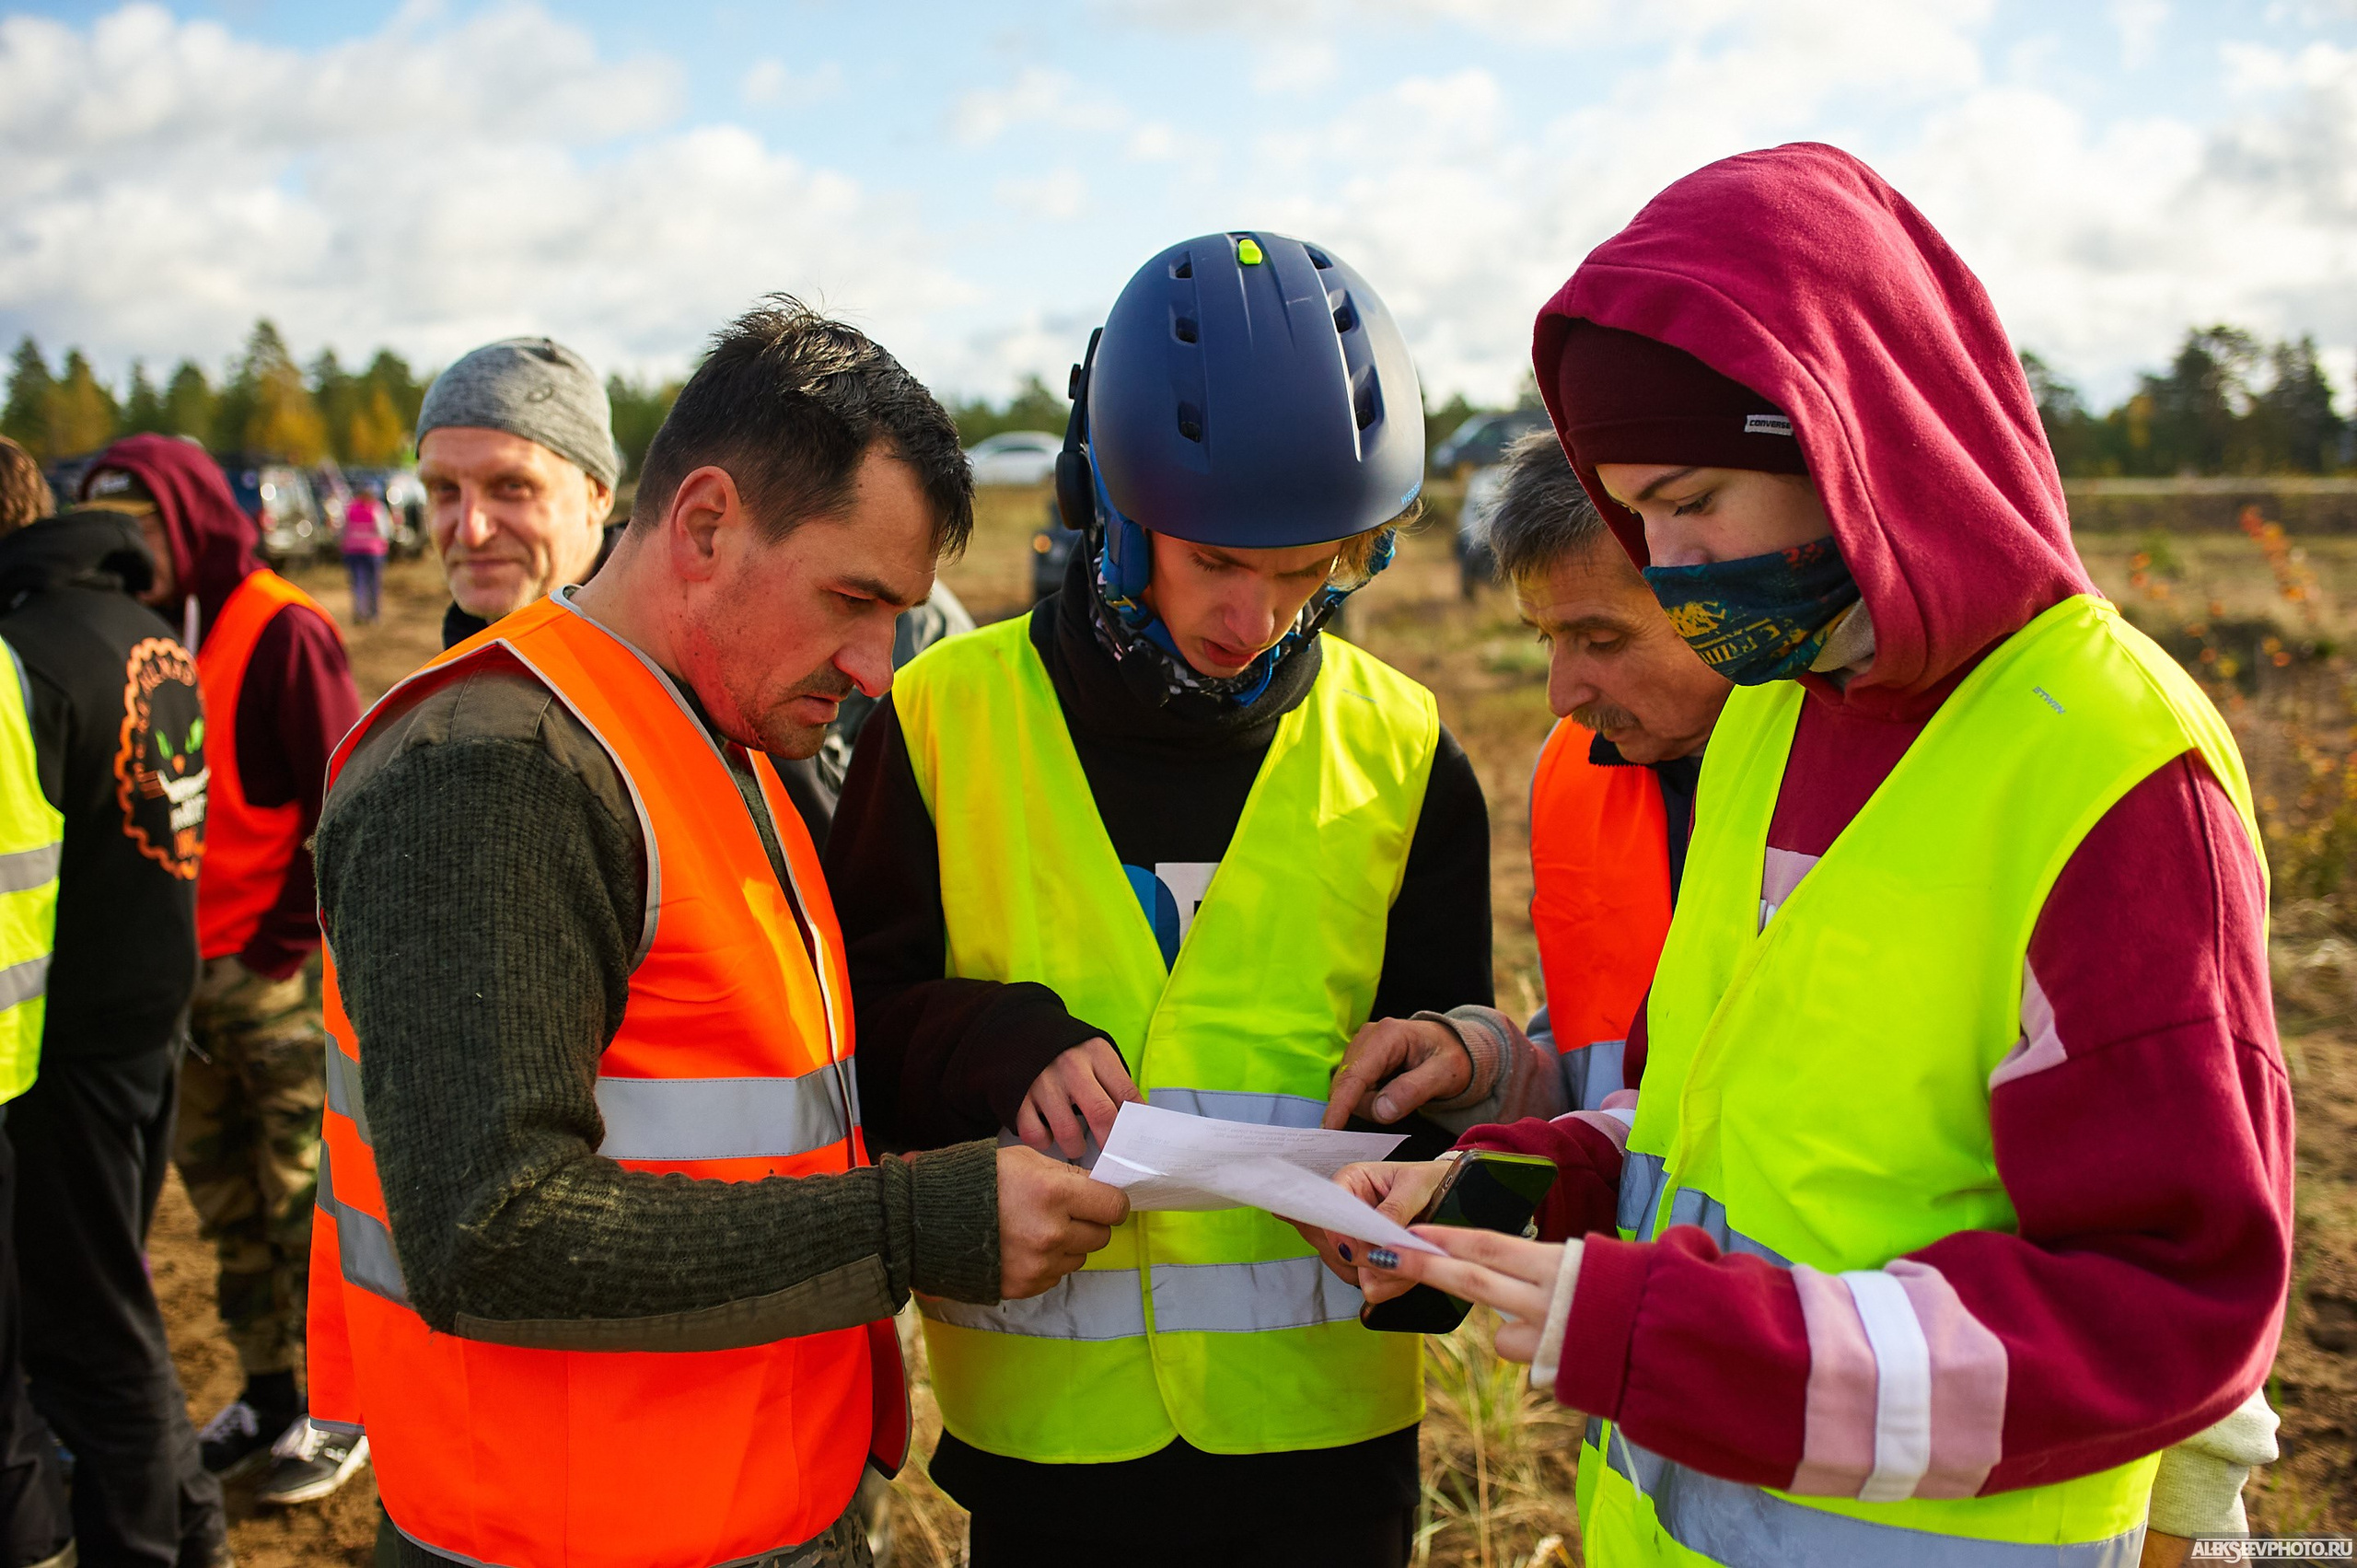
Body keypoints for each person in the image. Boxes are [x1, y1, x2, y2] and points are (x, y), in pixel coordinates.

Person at [1333, 144, 2293, 1568]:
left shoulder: (2111, 768)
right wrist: (1502, 1182)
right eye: (1634, 513)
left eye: (1696, 498)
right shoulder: (1776, 722)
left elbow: (2168, 1301)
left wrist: (1655, 1332)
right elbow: (1702, 1121)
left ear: (1851, 434)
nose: (1667, 559)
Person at [306, 299, 1126, 1568]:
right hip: (570, 1533)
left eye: (898, 613)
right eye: (852, 599)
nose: (876, 666)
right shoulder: (493, 769)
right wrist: (924, 1225)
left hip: (744, 1504)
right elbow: (494, 1229)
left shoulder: (707, 741)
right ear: (703, 524)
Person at [826, 232, 1494, 1568]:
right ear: (1108, 501)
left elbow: (1451, 1081)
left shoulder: (1408, 749)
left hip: (1331, 1448)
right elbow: (855, 1046)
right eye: (1216, 563)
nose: (1258, 617)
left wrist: (1449, 1095)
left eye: (1310, 571)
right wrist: (992, 1039)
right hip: (1051, 1457)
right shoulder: (941, 720)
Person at [77, 434, 364, 1505]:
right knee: (223, 1204)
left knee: (304, 1202)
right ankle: (266, 1390)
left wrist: (282, 940)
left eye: (144, 519)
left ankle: (337, 1409)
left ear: (190, 512)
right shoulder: (138, 628)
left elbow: (344, 799)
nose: (128, 541)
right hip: (176, 977)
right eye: (112, 520)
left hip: (273, 978)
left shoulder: (284, 627)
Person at [1320, 430, 1727, 1136]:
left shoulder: (1857, 785)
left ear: (1731, 593)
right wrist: (1484, 1063)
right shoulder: (1574, 767)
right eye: (1546, 638)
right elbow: (1597, 1080)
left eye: (1601, 640)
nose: (1560, 694)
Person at [415, 334, 963, 847]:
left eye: (512, 487)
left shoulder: (730, 661)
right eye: (442, 490)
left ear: (599, 493)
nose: (469, 529)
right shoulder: (461, 743)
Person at [1, 436, 229, 1566]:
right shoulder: (148, 635)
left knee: (91, 1334)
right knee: (111, 1315)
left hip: (55, 1049)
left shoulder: (24, 660)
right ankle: (184, 1524)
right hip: (146, 1016)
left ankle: (161, 1537)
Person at [339, 486, 389, 625]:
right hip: (372, 551)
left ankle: (359, 613)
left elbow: (342, 529)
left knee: (357, 584)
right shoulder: (376, 508)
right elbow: (382, 530)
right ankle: (373, 615)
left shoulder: (350, 508)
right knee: (373, 584)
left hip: (353, 550)